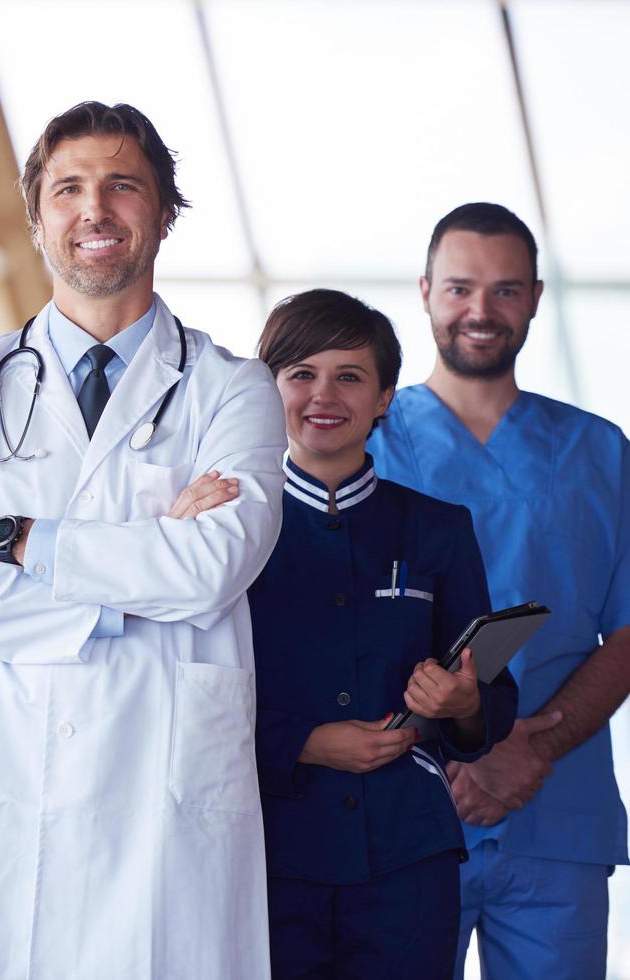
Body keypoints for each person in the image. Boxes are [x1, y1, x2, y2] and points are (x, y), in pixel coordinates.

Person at [0, 101, 287, 978]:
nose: (92, 210)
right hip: (4, 782)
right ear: (36, 222)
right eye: (67, 189)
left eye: (121, 186)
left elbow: (212, 564)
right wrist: (138, 574)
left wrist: (18, 537)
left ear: (164, 213)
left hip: (163, 793)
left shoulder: (231, 390)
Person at [368, 202, 630, 979]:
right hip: (406, 814)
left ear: (536, 298)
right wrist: (465, 755)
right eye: (459, 289)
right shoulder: (364, 447)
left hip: (556, 817)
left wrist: (529, 749)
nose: (480, 310)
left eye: (505, 290)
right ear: (423, 293)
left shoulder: (598, 452)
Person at [251, 288, 518, 978]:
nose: (322, 395)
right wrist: (304, 742)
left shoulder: (436, 527)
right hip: (268, 849)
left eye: (349, 376)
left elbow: (491, 694)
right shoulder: (229, 533)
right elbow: (183, 689)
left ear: (383, 399)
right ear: (264, 389)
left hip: (407, 856)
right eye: (300, 375)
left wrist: (462, 704)